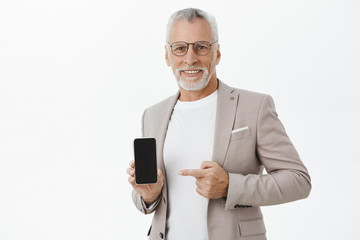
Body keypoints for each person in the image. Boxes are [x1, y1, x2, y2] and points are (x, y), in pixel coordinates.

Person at [127, 8, 311, 240]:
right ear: (167, 56)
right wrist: (148, 195)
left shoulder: (254, 107)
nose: (190, 58)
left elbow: (298, 180)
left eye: (201, 46)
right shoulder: (153, 114)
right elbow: (149, 196)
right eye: (180, 48)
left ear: (217, 53)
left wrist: (230, 186)